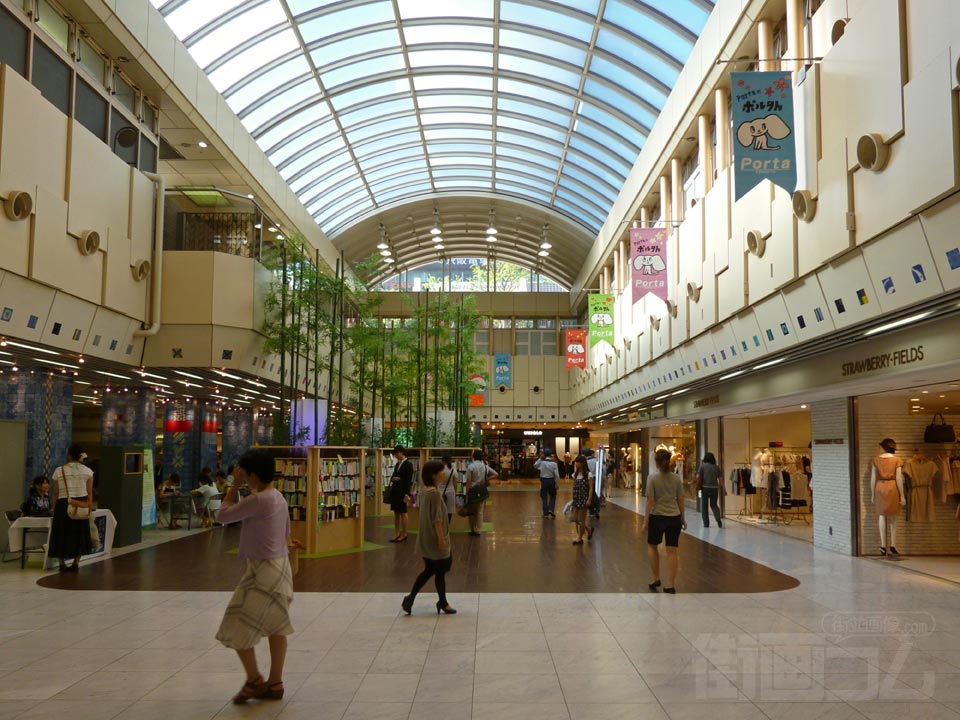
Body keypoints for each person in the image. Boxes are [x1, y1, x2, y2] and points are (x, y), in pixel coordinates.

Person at [216, 449, 295, 704]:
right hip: (279, 568)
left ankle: (254, 680)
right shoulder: (278, 497)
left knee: (235, 624)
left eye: (243, 473)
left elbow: (222, 516)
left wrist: (233, 486)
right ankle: (275, 682)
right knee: (276, 627)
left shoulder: (258, 499)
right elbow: (285, 533)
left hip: (263, 572)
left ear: (251, 474)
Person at [402, 459, 455, 616]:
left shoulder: (425, 491)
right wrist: (442, 539)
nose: (444, 473)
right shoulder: (436, 494)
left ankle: (417, 599)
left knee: (430, 570)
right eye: (441, 471)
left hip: (425, 538)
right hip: (435, 539)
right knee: (439, 570)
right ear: (434, 475)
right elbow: (437, 519)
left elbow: (418, 507)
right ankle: (440, 602)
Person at [641, 448, 687, 593]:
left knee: (652, 546)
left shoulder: (652, 478)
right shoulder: (676, 478)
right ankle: (671, 584)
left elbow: (650, 500)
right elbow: (680, 499)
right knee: (672, 551)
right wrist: (683, 518)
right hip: (674, 517)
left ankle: (656, 577)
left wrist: (645, 521)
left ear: (657, 463)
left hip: (657, 516)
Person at [48, 444, 94, 572]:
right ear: (80, 456)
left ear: (69, 455)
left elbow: (56, 493)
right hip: (81, 503)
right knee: (80, 533)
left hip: (63, 504)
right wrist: (89, 507)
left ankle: (62, 563)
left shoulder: (59, 471)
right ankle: (76, 563)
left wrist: (54, 508)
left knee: (61, 533)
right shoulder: (88, 471)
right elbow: (90, 493)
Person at [465, 449, 498, 536]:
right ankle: (478, 530)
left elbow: (468, 481)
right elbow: (496, 474)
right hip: (482, 490)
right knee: (480, 511)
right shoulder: (485, 466)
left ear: (473, 456)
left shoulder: (470, 467)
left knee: (472, 511)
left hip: (472, 490)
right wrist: (487, 479)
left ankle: (472, 529)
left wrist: (466, 492)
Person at [388, 446, 414, 543]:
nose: (395, 456)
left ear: (401, 453)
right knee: (396, 512)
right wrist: (394, 478)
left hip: (403, 492)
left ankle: (405, 533)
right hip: (395, 491)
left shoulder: (408, 465)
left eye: (396, 454)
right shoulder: (397, 464)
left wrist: (407, 494)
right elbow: (393, 476)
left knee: (403, 512)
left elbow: (408, 481)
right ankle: (397, 532)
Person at [696, 452, 725, 528]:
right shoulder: (716, 467)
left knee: (704, 506)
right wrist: (724, 489)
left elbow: (698, 476)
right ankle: (717, 517)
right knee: (714, 504)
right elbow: (721, 479)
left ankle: (706, 524)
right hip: (715, 488)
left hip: (704, 488)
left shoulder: (702, 466)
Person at [570, 455, 595, 545]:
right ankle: (588, 529)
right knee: (575, 518)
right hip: (576, 499)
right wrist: (572, 498)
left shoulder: (588, 474)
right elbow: (574, 486)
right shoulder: (575, 474)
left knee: (581, 520)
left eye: (578, 462)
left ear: (582, 463)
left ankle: (579, 538)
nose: (576, 464)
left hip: (584, 499)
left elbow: (591, 487)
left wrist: (589, 499)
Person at [535, 449, 560, 518]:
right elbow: (557, 475)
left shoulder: (542, 462)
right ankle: (551, 509)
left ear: (544, 454)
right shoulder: (554, 463)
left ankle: (545, 513)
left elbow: (535, 465)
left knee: (544, 497)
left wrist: (540, 458)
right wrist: (557, 484)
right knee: (553, 496)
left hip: (544, 481)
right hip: (551, 481)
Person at [440, 454, 458, 524]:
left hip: (440, 491)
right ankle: (447, 527)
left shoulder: (440, 470)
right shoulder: (453, 470)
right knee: (449, 511)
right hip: (451, 492)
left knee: (440, 511)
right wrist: (455, 492)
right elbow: (455, 483)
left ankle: (440, 527)